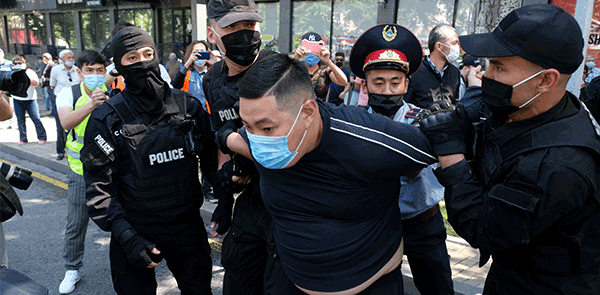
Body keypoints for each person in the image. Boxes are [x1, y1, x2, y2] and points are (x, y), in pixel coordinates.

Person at [419, 4, 600, 294]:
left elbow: (482, 229)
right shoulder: (540, 108)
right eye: (489, 64)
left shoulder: (553, 166)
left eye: (499, 67)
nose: (486, 74)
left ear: (545, 80)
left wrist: (451, 154)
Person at [222, 52, 434, 294]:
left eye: (267, 127)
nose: (258, 139)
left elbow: (438, 147)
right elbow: (239, 140)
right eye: (249, 126)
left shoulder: (365, 138)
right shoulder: (261, 140)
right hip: (291, 281)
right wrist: (227, 138)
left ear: (308, 112)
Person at [81, 26, 218, 295]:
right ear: (118, 65)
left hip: (186, 226)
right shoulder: (107, 118)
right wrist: (125, 235)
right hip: (134, 228)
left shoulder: (188, 107)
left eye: (147, 53)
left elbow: (211, 159)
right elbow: (98, 188)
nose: (142, 62)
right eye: (131, 58)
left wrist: (224, 201)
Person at [350, 23, 454, 295]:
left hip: (422, 223)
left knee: (438, 287)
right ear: (365, 84)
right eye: (378, 83)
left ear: (407, 84)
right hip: (375, 226)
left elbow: (413, 170)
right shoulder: (354, 123)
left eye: (395, 83)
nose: (386, 91)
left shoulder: (424, 121)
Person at [203, 0, 286, 293]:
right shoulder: (212, 78)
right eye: (232, 27)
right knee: (238, 279)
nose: (244, 33)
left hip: (287, 198)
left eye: (250, 25)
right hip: (250, 201)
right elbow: (220, 141)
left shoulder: (280, 72)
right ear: (212, 33)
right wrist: (224, 197)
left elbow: (292, 147)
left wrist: (230, 140)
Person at [56, 50, 110, 294]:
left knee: (120, 217)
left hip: (111, 170)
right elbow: (67, 123)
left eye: (100, 70)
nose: (95, 75)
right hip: (80, 171)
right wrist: (92, 104)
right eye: (89, 71)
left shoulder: (113, 91)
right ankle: (72, 268)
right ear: (79, 72)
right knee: (76, 223)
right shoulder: (69, 93)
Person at [172, 40, 219, 204]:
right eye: (195, 52)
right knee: (190, 155)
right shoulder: (186, 72)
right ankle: (191, 190)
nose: (200, 55)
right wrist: (187, 63)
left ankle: (208, 190)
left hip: (210, 119)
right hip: (190, 120)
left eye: (202, 52)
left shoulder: (213, 72)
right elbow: (175, 87)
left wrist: (216, 63)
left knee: (209, 156)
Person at [404, 25, 461, 109]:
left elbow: (455, 102)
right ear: (439, 46)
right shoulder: (415, 71)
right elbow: (405, 105)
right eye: (454, 43)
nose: (458, 48)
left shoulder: (454, 72)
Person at [292, 32, 348, 101]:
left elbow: (343, 82)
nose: (311, 52)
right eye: (308, 47)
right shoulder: (296, 69)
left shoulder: (325, 70)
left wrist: (328, 61)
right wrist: (294, 59)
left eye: (314, 48)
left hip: (319, 110)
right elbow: (278, 80)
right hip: (298, 110)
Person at [50, 49, 80, 160]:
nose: (71, 60)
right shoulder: (55, 70)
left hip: (75, 100)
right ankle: (60, 151)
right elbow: (52, 85)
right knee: (61, 127)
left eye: (72, 57)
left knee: (75, 126)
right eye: (69, 58)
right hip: (61, 102)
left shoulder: (77, 70)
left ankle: (73, 149)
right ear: (62, 59)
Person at [10, 56, 47, 145]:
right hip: (17, 99)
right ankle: (23, 138)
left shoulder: (30, 72)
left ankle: (42, 137)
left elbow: (36, 83)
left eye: (20, 63)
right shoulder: (11, 73)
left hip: (30, 100)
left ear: (24, 63)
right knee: (20, 120)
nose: (18, 65)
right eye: (16, 63)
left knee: (36, 118)